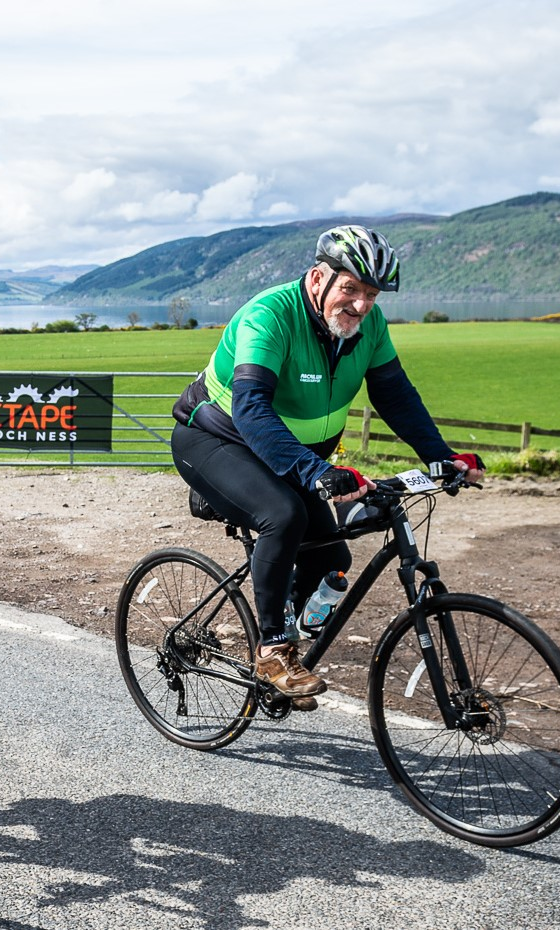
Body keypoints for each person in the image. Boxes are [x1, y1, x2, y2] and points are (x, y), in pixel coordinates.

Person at [170, 224, 485, 708]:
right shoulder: (269, 316)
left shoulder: (368, 327)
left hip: (292, 455)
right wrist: (316, 472)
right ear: (318, 278)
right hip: (217, 440)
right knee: (284, 516)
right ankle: (273, 651)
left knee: (331, 558)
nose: (360, 305)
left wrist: (440, 456)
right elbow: (252, 408)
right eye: (350, 289)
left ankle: (289, 636)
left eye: (371, 294)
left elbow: (396, 397)